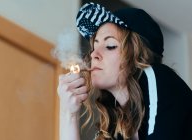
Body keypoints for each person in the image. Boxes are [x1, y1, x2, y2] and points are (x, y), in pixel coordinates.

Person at [58, 2, 192, 140]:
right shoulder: (116, 127)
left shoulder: (160, 78)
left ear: (137, 56)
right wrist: (69, 114)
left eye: (110, 46)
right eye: (94, 47)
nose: (93, 55)